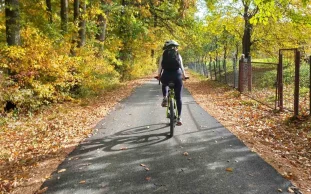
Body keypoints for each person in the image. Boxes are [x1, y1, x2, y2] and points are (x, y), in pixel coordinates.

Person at [157, 40, 188, 126]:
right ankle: (179, 118)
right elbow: (181, 66)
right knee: (178, 98)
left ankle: (165, 97)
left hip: (166, 75)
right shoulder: (178, 54)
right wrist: (184, 75)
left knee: (164, 83)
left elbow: (160, 67)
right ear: (175, 47)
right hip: (177, 76)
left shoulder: (163, 55)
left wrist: (159, 75)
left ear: (166, 48)